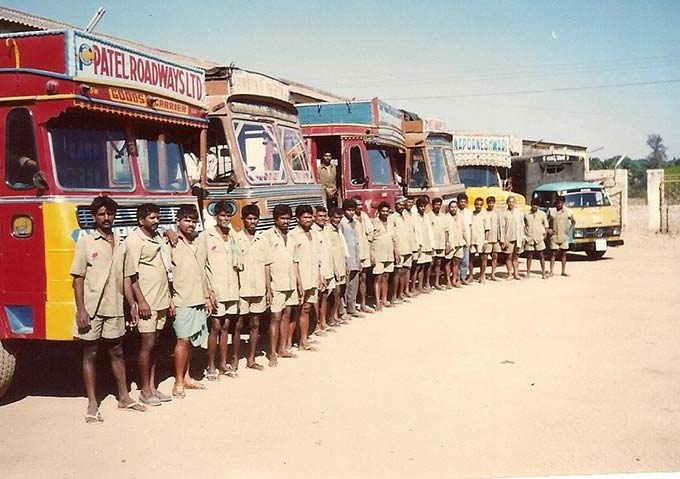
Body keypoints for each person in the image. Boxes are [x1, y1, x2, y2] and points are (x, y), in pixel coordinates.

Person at [71, 196, 146, 423]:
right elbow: (78, 278)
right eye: (102, 214)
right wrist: (81, 309)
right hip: (92, 308)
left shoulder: (121, 243)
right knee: (90, 353)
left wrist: (132, 304)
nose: (107, 218)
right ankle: (92, 403)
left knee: (117, 351)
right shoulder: (86, 242)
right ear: (94, 216)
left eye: (110, 213)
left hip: (114, 307)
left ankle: (124, 397)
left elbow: (127, 277)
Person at [124, 203, 174, 406]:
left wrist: (170, 298)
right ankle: (144, 390)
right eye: (152, 218)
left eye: (157, 217)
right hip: (148, 303)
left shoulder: (156, 238)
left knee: (155, 345)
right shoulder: (135, 240)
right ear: (140, 220)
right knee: (146, 345)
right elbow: (131, 274)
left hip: (161, 300)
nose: (156, 221)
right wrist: (140, 301)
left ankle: (152, 386)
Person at [169, 206, 211, 398]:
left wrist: (208, 296)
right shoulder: (170, 242)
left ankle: (186, 377)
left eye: (193, 221)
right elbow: (166, 273)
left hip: (198, 298)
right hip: (181, 299)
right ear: (178, 221)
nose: (190, 224)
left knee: (193, 340)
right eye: (186, 220)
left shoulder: (197, 242)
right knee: (182, 340)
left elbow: (203, 271)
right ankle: (178, 381)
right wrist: (168, 231)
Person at [195, 200, 240, 380]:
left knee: (226, 327)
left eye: (228, 216)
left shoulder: (233, 236)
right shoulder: (206, 236)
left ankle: (223, 364)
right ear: (216, 216)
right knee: (215, 327)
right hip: (216, 290)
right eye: (222, 215)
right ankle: (210, 366)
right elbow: (200, 265)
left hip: (232, 289)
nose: (225, 219)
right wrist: (207, 292)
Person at [234, 205, 272, 371]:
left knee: (256, 323)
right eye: (249, 219)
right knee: (238, 324)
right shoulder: (235, 239)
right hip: (242, 289)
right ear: (243, 220)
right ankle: (234, 360)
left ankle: (251, 359)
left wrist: (268, 289)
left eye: (255, 219)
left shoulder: (262, 240)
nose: (253, 222)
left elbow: (266, 266)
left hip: (258, 288)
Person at [261, 205, 298, 366]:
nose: (286, 221)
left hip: (290, 283)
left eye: (288, 218)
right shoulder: (267, 236)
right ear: (275, 219)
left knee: (287, 315)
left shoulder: (291, 238)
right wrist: (268, 288)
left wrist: (299, 283)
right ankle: (272, 353)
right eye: (282, 218)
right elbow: (266, 264)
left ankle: (282, 349)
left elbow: (295, 262)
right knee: (275, 318)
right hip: (276, 283)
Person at [289, 205, 323, 352]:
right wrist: (298, 282)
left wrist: (320, 276)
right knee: (295, 311)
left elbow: (318, 258)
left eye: (310, 217)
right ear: (298, 219)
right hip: (300, 278)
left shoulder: (314, 233)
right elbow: (293, 261)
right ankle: (288, 343)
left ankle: (304, 341)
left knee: (307, 309)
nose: (308, 220)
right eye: (305, 217)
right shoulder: (293, 236)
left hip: (312, 276)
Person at [312, 206, 336, 336]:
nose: (322, 218)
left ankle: (323, 322)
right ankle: (316, 325)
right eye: (319, 216)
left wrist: (335, 268)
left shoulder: (326, 229)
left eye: (324, 216)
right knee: (317, 297)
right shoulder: (313, 231)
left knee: (325, 295)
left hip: (328, 267)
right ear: (315, 217)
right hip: (318, 270)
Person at [338, 198, 363, 320]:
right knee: (345, 286)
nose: (351, 213)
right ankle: (342, 310)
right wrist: (344, 261)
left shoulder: (355, 222)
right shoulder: (341, 223)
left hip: (355, 257)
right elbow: (341, 243)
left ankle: (352, 307)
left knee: (354, 284)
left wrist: (359, 260)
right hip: (346, 259)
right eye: (349, 210)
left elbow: (357, 242)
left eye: (353, 210)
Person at [325, 207, 348, 327]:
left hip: (340, 265)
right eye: (335, 217)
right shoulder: (327, 231)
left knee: (339, 292)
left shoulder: (337, 229)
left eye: (340, 218)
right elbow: (330, 251)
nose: (337, 220)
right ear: (330, 218)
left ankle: (335, 316)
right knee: (333, 293)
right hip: (333, 267)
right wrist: (334, 269)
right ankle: (330, 318)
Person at [370, 201, 396, 311]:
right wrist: (371, 255)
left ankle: (384, 299)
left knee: (386, 277)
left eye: (387, 211)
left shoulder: (390, 222)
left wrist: (396, 252)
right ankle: (377, 301)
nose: (385, 213)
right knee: (378, 277)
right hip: (377, 254)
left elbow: (393, 239)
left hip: (389, 253)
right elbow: (369, 240)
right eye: (383, 211)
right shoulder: (373, 223)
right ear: (379, 211)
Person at [352, 195, 375, 313]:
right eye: (357, 205)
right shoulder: (352, 219)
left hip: (365, 250)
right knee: (355, 279)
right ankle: (352, 305)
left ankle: (363, 303)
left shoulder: (364, 216)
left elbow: (370, 232)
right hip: (356, 253)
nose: (359, 207)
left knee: (363, 277)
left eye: (361, 205)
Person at [389, 196, 412, 303]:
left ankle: (402, 293)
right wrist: (395, 250)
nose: (401, 206)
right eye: (399, 204)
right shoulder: (392, 217)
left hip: (407, 247)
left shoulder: (406, 216)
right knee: (397, 273)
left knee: (405, 271)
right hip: (399, 248)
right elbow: (392, 236)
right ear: (395, 205)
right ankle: (394, 296)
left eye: (403, 204)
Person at [548, 196, 576, 277]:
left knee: (563, 254)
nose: (559, 204)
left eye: (561, 203)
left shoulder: (568, 211)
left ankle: (563, 271)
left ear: (563, 203)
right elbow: (545, 221)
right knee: (553, 254)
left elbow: (574, 221)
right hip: (554, 236)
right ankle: (551, 271)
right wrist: (548, 230)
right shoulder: (551, 211)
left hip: (564, 236)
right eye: (558, 203)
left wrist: (569, 230)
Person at [412, 196, 434, 294]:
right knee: (418, 267)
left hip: (428, 244)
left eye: (424, 206)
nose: (423, 208)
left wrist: (432, 245)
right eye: (421, 206)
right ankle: (413, 287)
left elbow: (430, 231)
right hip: (420, 245)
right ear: (417, 207)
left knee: (427, 265)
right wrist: (418, 246)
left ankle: (424, 285)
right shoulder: (414, 217)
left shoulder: (426, 216)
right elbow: (415, 232)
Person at [443, 200, 467, 288]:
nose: (453, 209)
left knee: (456, 262)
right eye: (452, 207)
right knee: (448, 262)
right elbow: (445, 232)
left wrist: (467, 241)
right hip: (450, 243)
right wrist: (446, 243)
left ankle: (454, 279)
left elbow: (464, 230)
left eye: (455, 207)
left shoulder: (460, 217)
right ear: (449, 208)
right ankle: (448, 281)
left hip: (459, 242)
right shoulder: (446, 217)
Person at [524, 198, 549, 279]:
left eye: (536, 205)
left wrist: (544, 235)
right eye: (533, 204)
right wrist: (524, 236)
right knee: (529, 255)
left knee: (541, 255)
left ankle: (543, 273)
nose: (534, 206)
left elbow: (546, 226)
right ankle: (528, 273)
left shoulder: (542, 214)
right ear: (531, 205)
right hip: (529, 237)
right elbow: (523, 225)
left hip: (539, 237)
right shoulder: (526, 214)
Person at [501, 196, 524, 280]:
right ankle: (509, 274)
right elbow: (502, 227)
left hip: (517, 237)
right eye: (509, 202)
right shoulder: (504, 213)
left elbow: (522, 226)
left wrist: (523, 238)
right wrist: (503, 240)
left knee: (516, 256)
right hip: (508, 238)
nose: (511, 203)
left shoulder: (519, 213)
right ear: (507, 203)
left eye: (512, 202)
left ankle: (516, 273)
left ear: (515, 203)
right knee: (508, 256)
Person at [470, 197, 490, 283]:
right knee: (471, 259)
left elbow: (487, 229)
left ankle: (482, 276)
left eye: (480, 205)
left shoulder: (485, 215)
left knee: (483, 258)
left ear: (482, 205)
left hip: (481, 240)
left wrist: (486, 241)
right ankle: (470, 276)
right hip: (472, 240)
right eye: (477, 204)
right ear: (474, 204)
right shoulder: (471, 214)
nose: (478, 206)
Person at [429, 197, 447, 290]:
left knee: (439, 263)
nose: (437, 206)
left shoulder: (443, 216)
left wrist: (447, 243)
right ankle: (427, 283)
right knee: (430, 264)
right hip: (432, 244)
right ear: (432, 205)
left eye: (439, 205)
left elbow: (446, 231)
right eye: (435, 204)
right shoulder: (428, 215)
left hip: (441, 243)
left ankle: (436, 282)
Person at [402, 197, 419, 296]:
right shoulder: (402, 214)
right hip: (404, 245)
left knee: (411, 267)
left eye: (411, 202)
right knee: (402, 270)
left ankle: (408, 289)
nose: (409, 204)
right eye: (407, 202)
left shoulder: (413, 213)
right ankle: (402, 291)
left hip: (413, 243)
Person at [485, 196, 504, 281]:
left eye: (492, 203)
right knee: (484, 257)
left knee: (495, 256)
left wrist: (502, 239)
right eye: (489, 203)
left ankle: (493, 274)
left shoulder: (498, 213)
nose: (490, 204)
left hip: (496, 238)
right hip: (487, 239)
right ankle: (483, 274)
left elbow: (501, 226)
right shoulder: (484, 212)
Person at [456, 193, 473, 284]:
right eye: (461, 202)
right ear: (458, 202)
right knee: (457, 260)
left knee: (465, 261)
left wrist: (470, 241)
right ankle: (456, 278)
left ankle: (463, 277)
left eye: (464, 202)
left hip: (467, 239)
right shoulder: (455, 211)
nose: (463, 203)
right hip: (458, 239)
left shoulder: (468, 213)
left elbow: (470, 227)